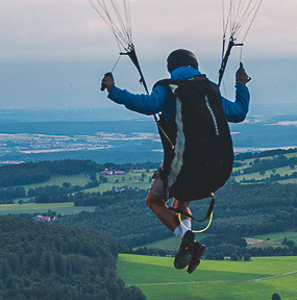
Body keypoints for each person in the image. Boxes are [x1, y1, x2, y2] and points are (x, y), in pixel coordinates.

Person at [101, 48, 251, 272]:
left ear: (171, 68)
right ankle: (189, 241)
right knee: (180, 202)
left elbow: (146, 104)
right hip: (219, 169)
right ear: (195, 66)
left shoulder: (169, 89)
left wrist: (113, 90)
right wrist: (241, 84)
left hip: (185, 168)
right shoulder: (211, 90)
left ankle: (185, 236)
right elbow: (239, 112)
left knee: (153, 201)